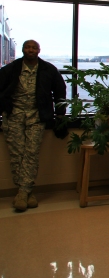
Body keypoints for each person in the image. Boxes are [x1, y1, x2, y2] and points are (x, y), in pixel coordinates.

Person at [0, 40, 66, 212]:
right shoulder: (11, 69)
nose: (31, 50)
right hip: (14, 116)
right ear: (23, 49)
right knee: (17, 154)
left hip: (37, 116)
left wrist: (60, 114)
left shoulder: (48, 69)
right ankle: (27, 192)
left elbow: (60, 90)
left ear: (38, 50)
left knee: (31, 153)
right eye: (28, 47)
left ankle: (22, 193)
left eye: (34, 47)